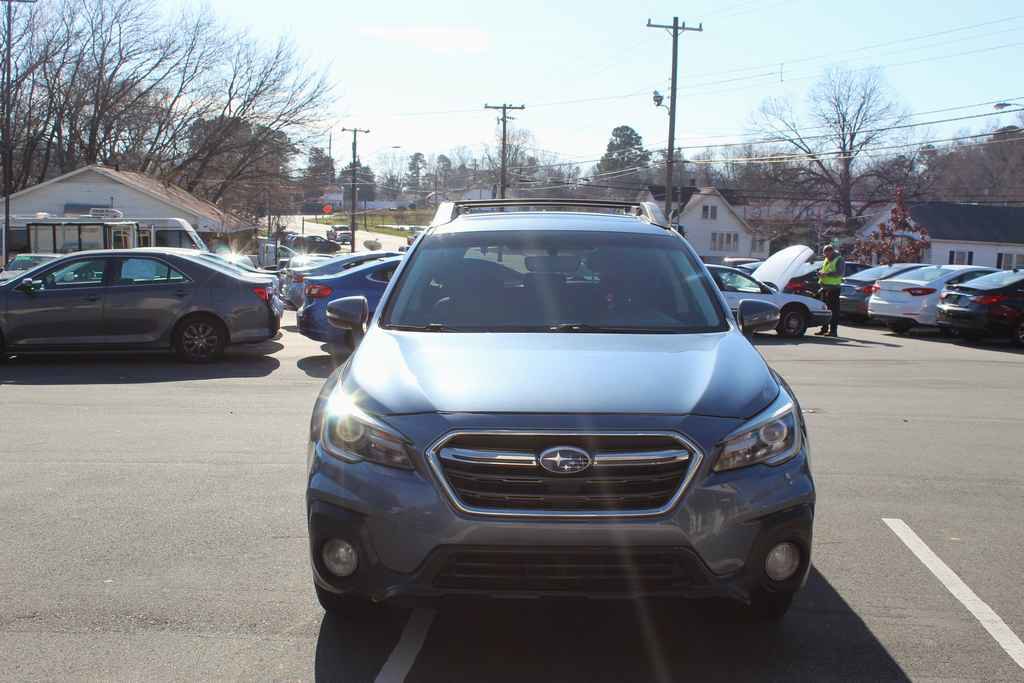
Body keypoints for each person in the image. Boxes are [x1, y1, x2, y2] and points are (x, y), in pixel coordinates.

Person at [815, 244, 844, 337]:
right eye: (824, 254)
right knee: (825, 310)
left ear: (831, 251)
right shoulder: (827, 259)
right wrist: (820, 272)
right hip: (824, 287)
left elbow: (839, 273)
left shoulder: (839, 259)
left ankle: (833, 331)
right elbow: (825, 269)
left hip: (834, 288)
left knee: (833, 311)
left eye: (826, 253)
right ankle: (824, 329)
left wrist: (825, 274)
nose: (825, 256)